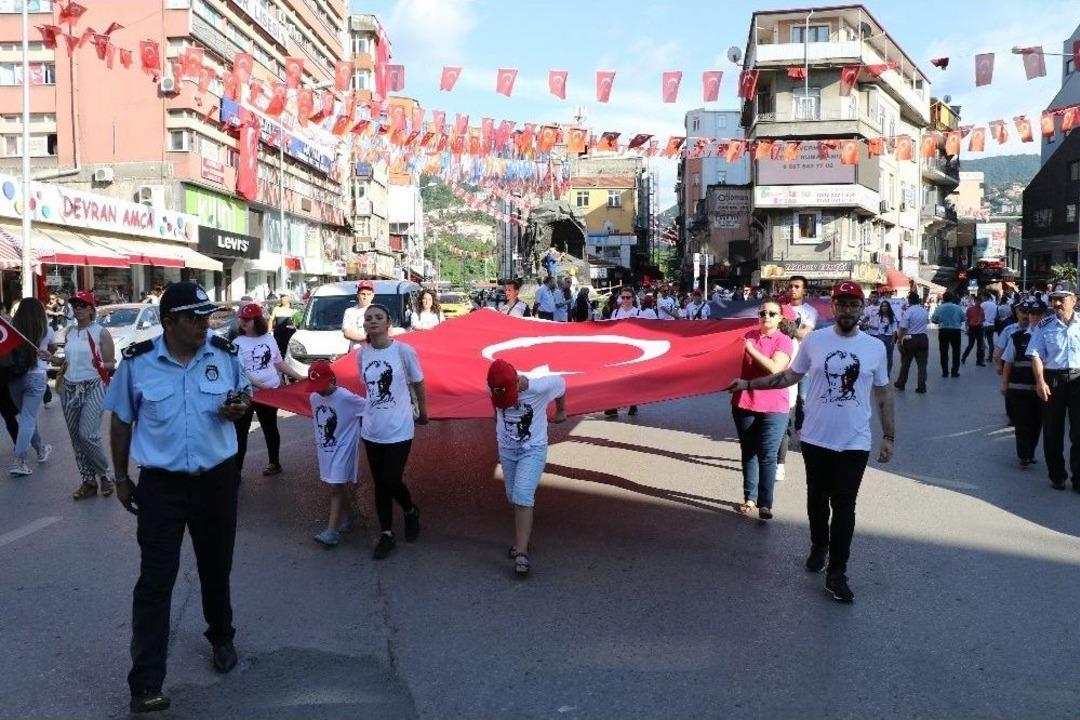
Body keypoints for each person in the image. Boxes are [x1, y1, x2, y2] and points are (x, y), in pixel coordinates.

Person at [104, 282, 252, 714]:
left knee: (215, 567)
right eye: (194, 318)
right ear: (169, 322)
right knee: (155, 582)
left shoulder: (223, 355)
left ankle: (221, 636)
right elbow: (121, 423)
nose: (204, 325)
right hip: (162, 486)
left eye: (207, 317)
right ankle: (146, 682)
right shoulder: (138, 363)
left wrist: (238, 406)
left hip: (216, 481)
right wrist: (120, 478)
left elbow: (243, 394)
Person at [727, 281, 895, 603]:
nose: (847, 310)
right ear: (833, 307)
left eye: (853, 304)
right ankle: (819, 544)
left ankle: (838, 571)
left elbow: (884, 393)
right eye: (842, 304)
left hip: (855, 443)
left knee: (845, 506)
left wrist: (889, 436)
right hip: (816, 439)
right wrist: (749, 382)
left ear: (862, 309)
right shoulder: (815, 342)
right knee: (817, 502)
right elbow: (788, 377)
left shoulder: (874, 348)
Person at [357, 304, 428, 559]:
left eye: (378, 317)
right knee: (380, 484)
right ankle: (386, 533)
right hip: (372, 429)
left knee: (390, 478)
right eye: (368, 318)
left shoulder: (403, 351)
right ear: (364, 325)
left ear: (389, 323)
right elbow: (367, 390)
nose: (372, 321)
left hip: (399, 428)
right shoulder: (361, 354)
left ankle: (410, 510)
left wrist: (424, 412)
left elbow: (418, 382)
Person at [486, 359, 566, 577]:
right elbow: (493, 400)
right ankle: (524, 538)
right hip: (507, 448)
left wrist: (561, 411)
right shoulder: (490, 386)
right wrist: (496, 413)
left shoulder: (540, 387)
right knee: (514, 496)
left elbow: (562, 385)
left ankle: (521, 551)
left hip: (533, 448)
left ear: (517, 382)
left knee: (522, 494)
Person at [727, 299, 793, 520]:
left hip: (775, 406)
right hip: (745, 401)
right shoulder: (747, 335)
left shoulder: (784, 341)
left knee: (767, 455)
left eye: (772, 314)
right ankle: (749, 498)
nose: (767, 316)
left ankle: (765, 503)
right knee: (749, 452)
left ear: (780, 319)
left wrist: (750, 349)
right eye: (763, 312)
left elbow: (774, 368)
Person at [233, 302, 304, 477]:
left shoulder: (269, 338)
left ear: (257, 321)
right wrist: (264, 387)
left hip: (269, 394)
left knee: (270, 428)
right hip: (247, 394)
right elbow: (242, 373)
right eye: (242, 318)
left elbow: (278, 362)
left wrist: (299, 377)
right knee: (240, 432)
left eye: (248, 319)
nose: (244, 322)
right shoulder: (237, 342)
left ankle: (274, 463)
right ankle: (236, 471)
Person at [62, 290, 118, 500]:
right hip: (69, 387)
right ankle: (88, 481)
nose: (77, 309)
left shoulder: (100, 332)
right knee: (76, 439)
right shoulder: (69, 332)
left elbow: (112, 363)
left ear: (91, 309)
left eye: (82, 305)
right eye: (75, 305)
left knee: (88, 435)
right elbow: (66, 362)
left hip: (94, 386)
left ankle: (104, 474)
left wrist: (101, 364)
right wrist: (51, 357)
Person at [1026, 281, 1080, 491]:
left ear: (1074, 300)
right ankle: (1057, 475)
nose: (1056, 303)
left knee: (1079, 433)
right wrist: (1040, 381)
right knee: (1052, 431)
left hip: (1078, 381)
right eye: (1054, 298)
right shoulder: (1044, 325)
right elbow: (1036, 355)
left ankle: (1079, 478)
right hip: (1053, 381)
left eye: (1061, 298)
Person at [307, 360, 368, 547]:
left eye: (322, 385)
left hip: (345, 448)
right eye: (315, 386)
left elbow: (369, 409)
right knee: (340, 485)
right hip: (326, 450)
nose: (319, 390)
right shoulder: (314, 398)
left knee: (336, 486)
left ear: (332, 379)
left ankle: (331, 532)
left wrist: (364, 433)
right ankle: (352, 514)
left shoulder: (346, 397)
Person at [7, 297, 55, 476]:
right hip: (36, 376)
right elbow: (52, 347)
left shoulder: (12, 330)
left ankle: (41, 449)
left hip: (14, 377)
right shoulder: (46, 329)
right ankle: (19, 461)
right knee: (28, 418)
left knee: (27, 417)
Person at [1002, 299, 1043, 467]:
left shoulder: (1049, 336)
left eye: (1037, 314)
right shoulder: (1017, 337)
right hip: (1019, 388)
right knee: (1022, 423)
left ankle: (1030, 451)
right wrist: (1004, 384)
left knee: (1036, 423)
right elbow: (1008, 362)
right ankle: (1024, 455)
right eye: (1031, 314)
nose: (1033, 317)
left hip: (1040, 390)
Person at [604, 288, 640, 416]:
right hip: (617, 350)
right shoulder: (615, 312)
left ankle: (633, 404)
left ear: (633, 299)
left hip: (633, 350)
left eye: (628, 297)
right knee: (615, 378)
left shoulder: (638, 312)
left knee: (630, 379)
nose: (625, 300)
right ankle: (613, 406)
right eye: (623, 297)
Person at [895, 293, 930, 394]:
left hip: (910, 338)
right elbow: (927, 322)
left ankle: (901, 383)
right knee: (922, 364)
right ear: (918, 300)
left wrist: (899, 340)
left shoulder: (908, 312)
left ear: (909, 300)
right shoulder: (924, 310)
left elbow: (902, 328)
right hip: (923, 337)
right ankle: (922, 386)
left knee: (906, 362)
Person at [931, 291, 965, 378]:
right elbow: (963, 318)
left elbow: (934, 320)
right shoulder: (958, 308)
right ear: (952, 298)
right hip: (955, 331)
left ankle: (945, 372)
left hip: (943, 331)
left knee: (943, 352)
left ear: (943, 298)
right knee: (956, 351)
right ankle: (954, 372)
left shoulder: (939, 308)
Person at [865, 300, 898, 377]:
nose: (884, 307)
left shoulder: (892, 317)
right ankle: (880, 374)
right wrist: (867, 325)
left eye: (886, 306)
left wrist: (893, 340)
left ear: (888, 307)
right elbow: (877, 327)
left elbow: (894, 330)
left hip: (889, 338)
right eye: (882, 306)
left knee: (889, 357)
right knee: (880, 357)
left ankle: (887, 374)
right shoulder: (879, 316)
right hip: (881, 337)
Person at [341, 280, 377, 349]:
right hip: (356, 353)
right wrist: (366, 338)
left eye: (368, 294)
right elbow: (347, 333)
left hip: (375, 352)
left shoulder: (379, 311)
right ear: (358, 295)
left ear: (373, 295)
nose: (365, 297)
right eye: (362, 294)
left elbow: (387, 331)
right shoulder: (350, 311)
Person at [961, 294, 987, 366]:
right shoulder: (970, 309)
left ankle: (979, 361)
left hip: (978, 328)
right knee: (971, 345)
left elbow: (983, 320)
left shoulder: (981, 310)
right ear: (975, 301)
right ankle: (964, 356)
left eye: (980, 301)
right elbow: (967, 319)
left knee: (980, 345)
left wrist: (979, 322)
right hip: (973, 328)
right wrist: (967, 328)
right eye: (978, 301)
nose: (979, 303)